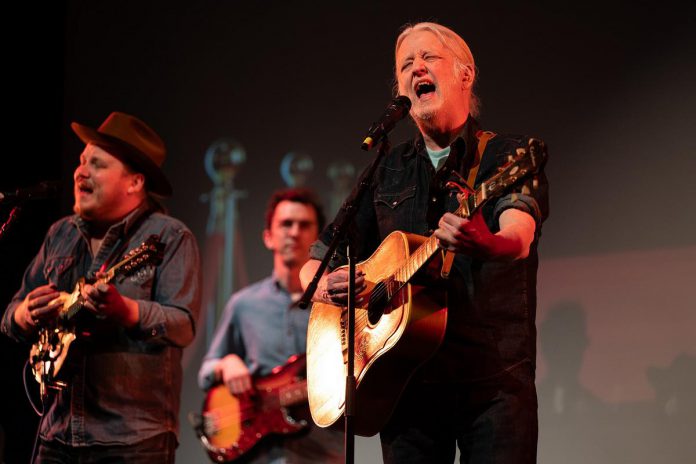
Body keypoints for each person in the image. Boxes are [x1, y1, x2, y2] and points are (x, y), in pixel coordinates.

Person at [300, 22, 549, 463]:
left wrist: (486, 244)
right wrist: (329, 287)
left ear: (464, 74)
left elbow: (518, 237)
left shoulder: (508, 155)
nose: (416, 69)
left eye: (427, 58)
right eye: (405, 66)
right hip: (406, 383)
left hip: (492, 382)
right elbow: (313, 267)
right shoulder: (386, 168)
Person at [1, 111, 201, 463]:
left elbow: (183, 325)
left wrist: (127, 311)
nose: (80, 171)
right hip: (56, 433)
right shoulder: (60, 233)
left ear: (135, 183)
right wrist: (24, 313)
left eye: (96, 164)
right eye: (80, 162)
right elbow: (10, 316)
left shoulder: (170, 237)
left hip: (133, 441)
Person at [198, 188, 343, 463]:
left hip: (322, 450)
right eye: (286, 224)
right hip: (257, 452)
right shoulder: (243, 304)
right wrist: (226, 363)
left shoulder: (337, 306)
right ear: (268, 236)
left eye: (304, 225)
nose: (294, 232)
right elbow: (206, 370)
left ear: (319, 240)